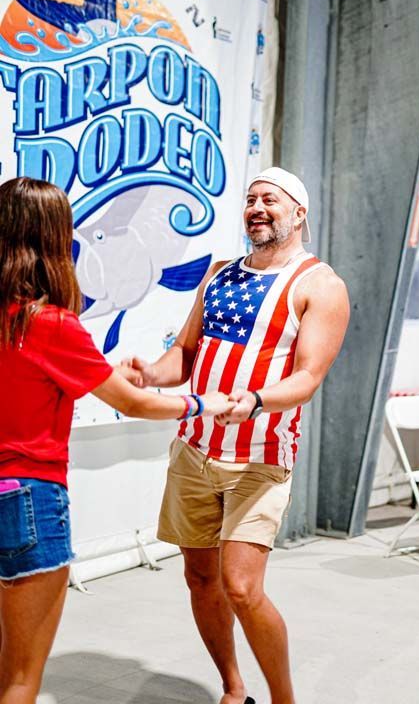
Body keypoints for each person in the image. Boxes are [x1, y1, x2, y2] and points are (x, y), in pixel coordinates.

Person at [122, 167, 350, 704]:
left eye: (271, 199)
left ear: (299, 213)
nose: (258, 207)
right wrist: (152, 374)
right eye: (251, 199)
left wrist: (253, 401)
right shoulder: (220, 273)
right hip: (194, 451)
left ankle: (284, 699)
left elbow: (308, 377)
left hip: (260, 460)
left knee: (242, 588)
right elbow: (185, 351)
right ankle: (232, 688)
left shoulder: (321, 284)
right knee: (200, 580)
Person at [0, 177, 232, 704]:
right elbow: (138, 405)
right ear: (54, 238)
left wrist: (104, 369)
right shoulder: (51, 323)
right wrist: (203, 403)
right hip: (29, 499)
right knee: (20, 679)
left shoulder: (16, 322)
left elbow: (30, 376)